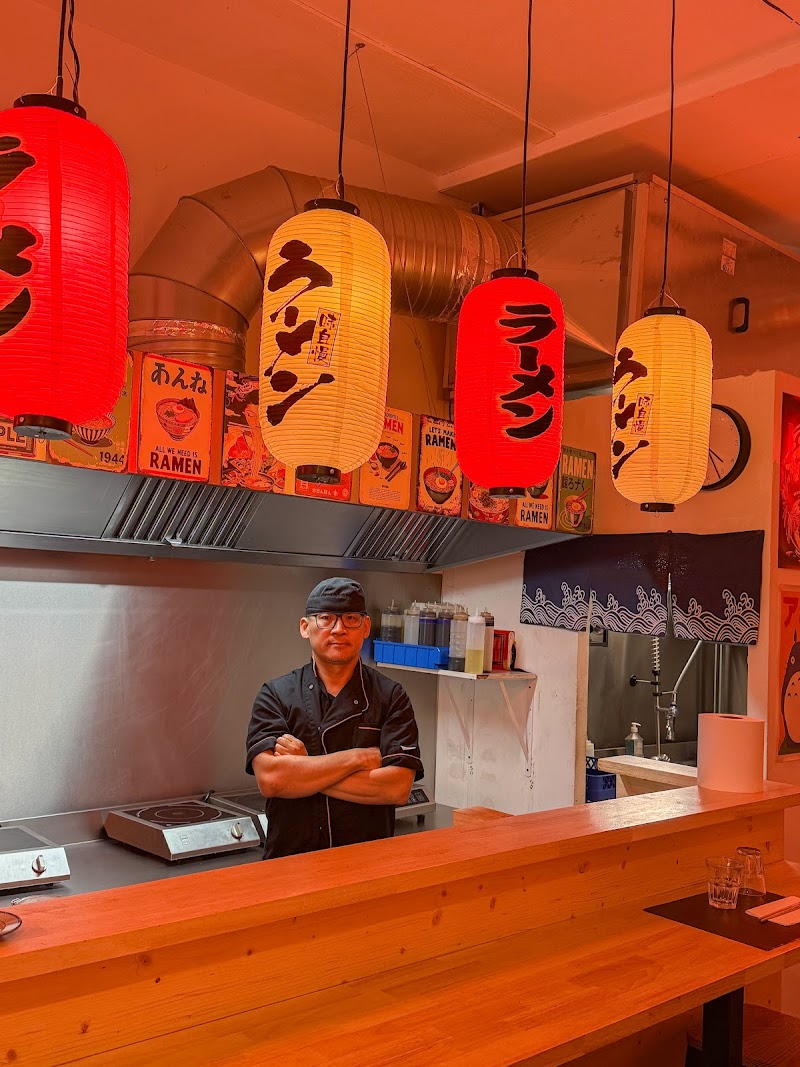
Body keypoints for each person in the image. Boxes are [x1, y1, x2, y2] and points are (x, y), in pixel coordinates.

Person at [245, 577, 424, 859]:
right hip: (291, 867)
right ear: (306, 627)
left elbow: (397, 787)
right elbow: (272, 780)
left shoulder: (391, 696)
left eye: (351, 618)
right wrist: (358, 758)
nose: (339, 629)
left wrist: (303, 771)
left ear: (365, 627)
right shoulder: (276, 694)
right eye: (326, 618)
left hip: (367, 866)